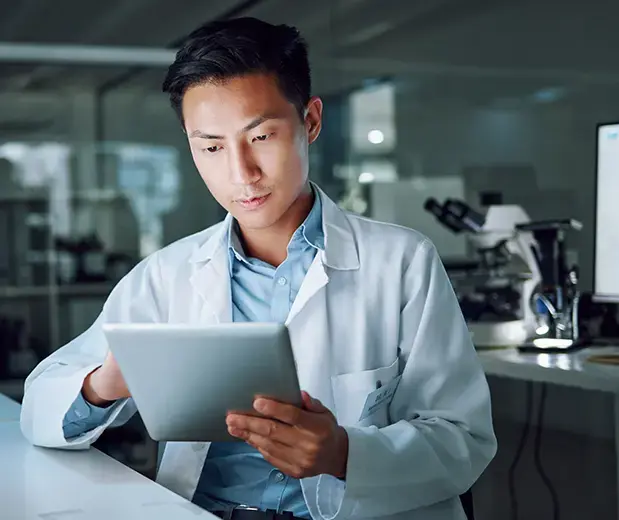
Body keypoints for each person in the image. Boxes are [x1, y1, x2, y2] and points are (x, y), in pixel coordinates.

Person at [19, 17, 497, 520]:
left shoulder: (402, 263)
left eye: (262, 136)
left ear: (310, 121)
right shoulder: (167, 276)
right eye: (211, 147)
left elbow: (463, 438)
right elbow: (39, 409)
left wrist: (344, 455)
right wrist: (107, 383)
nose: (240, 173)